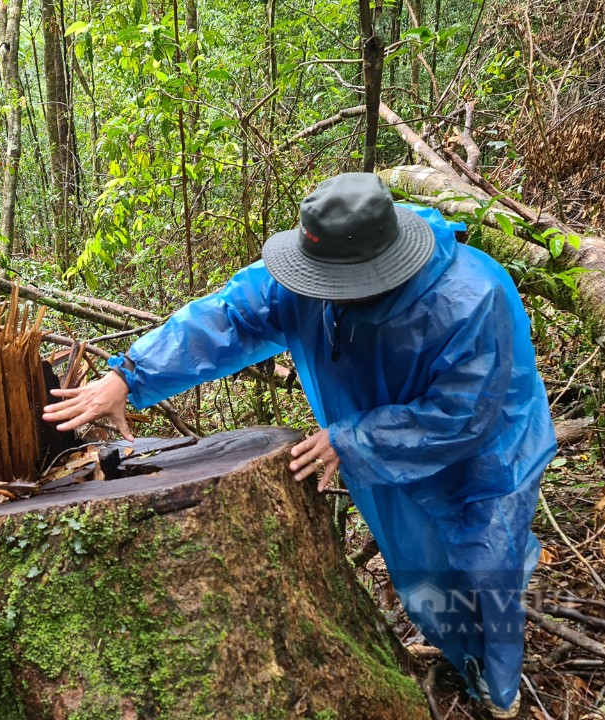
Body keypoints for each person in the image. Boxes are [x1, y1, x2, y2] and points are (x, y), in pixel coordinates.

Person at [42, 172, 556, 718]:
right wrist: (130, 375)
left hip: (486, 459)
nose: (320, 291)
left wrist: (353, 439)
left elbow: (465, 412)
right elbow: (230, 316)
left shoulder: (472, 297)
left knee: (486, 568)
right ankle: (461, 654)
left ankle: (499, 690)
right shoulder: (307, 279)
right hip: (375, 449)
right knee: (420, 567)